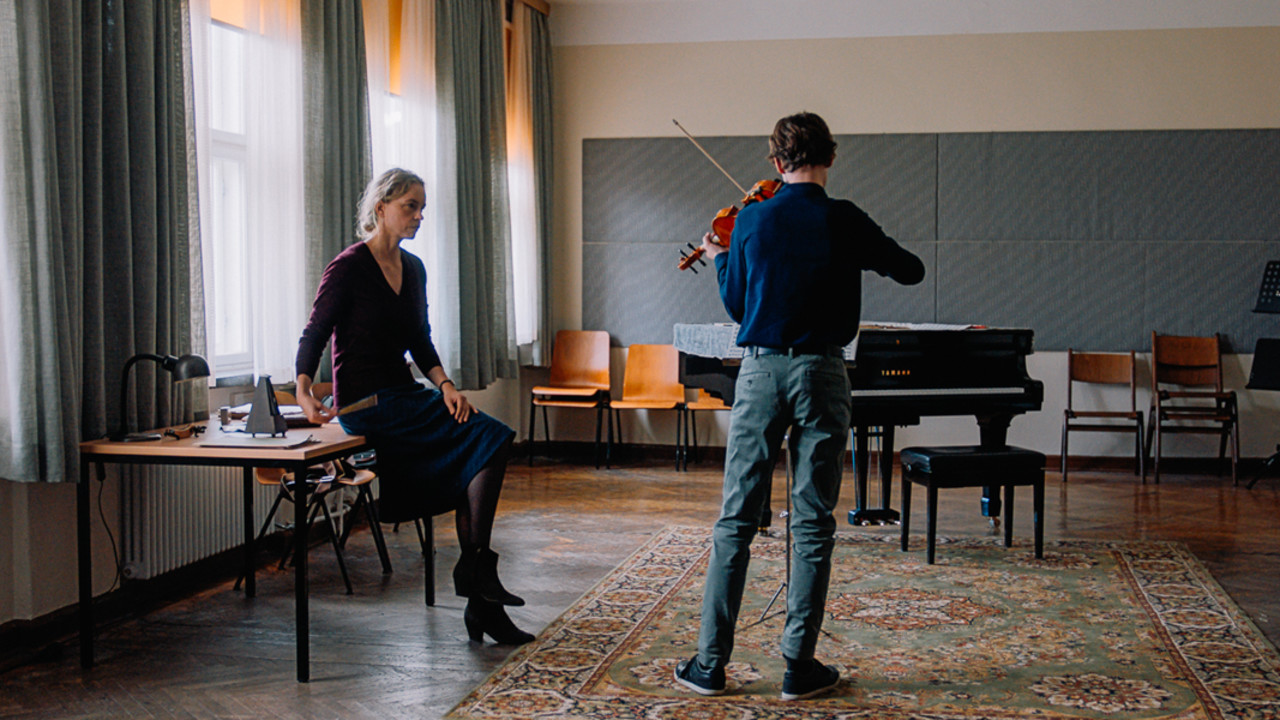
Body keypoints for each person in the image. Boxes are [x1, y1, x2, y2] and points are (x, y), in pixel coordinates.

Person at [674, 112, 925, 700]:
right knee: (812, 521)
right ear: (830, 157)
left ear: (775, 161)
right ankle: (798, 667)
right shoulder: (845, 218)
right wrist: (859, 253)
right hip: (823, 372)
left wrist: (720, 256)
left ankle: (710, 664)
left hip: (761, 372)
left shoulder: (752, 219)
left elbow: (739, 307)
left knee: (737, 519)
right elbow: (910, 271)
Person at [295, 168, 533, 646]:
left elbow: (420, 341)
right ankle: (478, 584)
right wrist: (303, 389)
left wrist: (446, 385)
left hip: (403, 395)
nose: (419, 216)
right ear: (381, 207)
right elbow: (315, 332)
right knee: (490, 438)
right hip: (364, 402)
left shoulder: (415, 268)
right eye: (411, 206)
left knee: (486, 443)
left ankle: (479, 594)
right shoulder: (348, 266)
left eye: (422, 207)